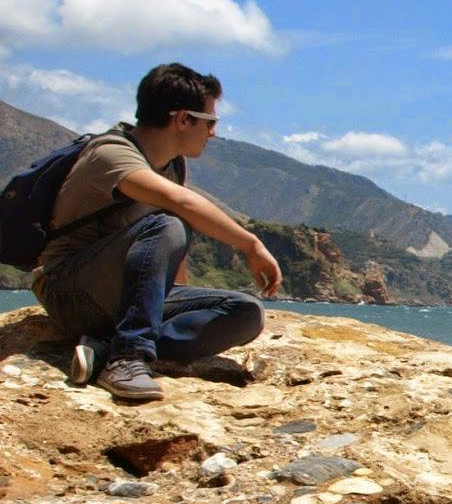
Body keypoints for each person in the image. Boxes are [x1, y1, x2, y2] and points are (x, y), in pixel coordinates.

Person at [30, 63, 281, 403]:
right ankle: (126, 358)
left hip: (119, 299)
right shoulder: (110, 153)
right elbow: (177, 205)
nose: (213, 133)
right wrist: (251, 244)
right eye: (210, 122)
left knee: (245, 314)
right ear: (182, 119)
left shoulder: (171, 165)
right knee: (169, 223)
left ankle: (104, 348)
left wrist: (181, 298)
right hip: (68, 291)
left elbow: (162, 256)